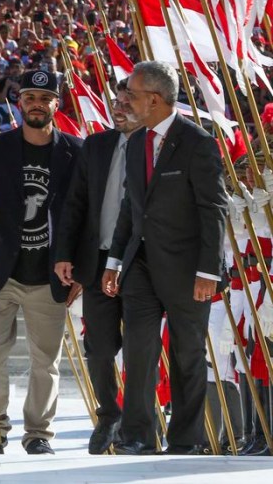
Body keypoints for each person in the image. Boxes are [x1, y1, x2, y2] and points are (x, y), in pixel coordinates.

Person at [102, 61, 229, 455]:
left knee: (187, 355)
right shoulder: (137, 142)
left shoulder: (198, 142)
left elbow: (214, 209)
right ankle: (137, 434)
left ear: (154, 100)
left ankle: (185, 439)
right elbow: (130, 207)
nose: (126, 103)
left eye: (133, 96)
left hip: (190, 270)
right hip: (139, 266)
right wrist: (114, 261)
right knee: (139, 351)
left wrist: (209, 270)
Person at [0, 69, 82, 455]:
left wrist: (80, 267)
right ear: (20, 102)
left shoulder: (75, 150)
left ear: (57, 103)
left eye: (45, 98)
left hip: (50, 275)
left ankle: (38, 433)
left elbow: (84, 213)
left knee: (45, 363)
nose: (37, 103)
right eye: (30, 97)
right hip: (0, 269)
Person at [53, 81, 142, 454]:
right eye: (115, 102)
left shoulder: (159, 148)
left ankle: (139, 422)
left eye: (127, 103)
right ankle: (109, 415)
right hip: (98, 261)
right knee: (100, 348)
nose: (118, 109)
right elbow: (75, 204)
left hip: (143, 264)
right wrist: (64, 254)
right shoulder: (97, 145)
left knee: (142, 348)